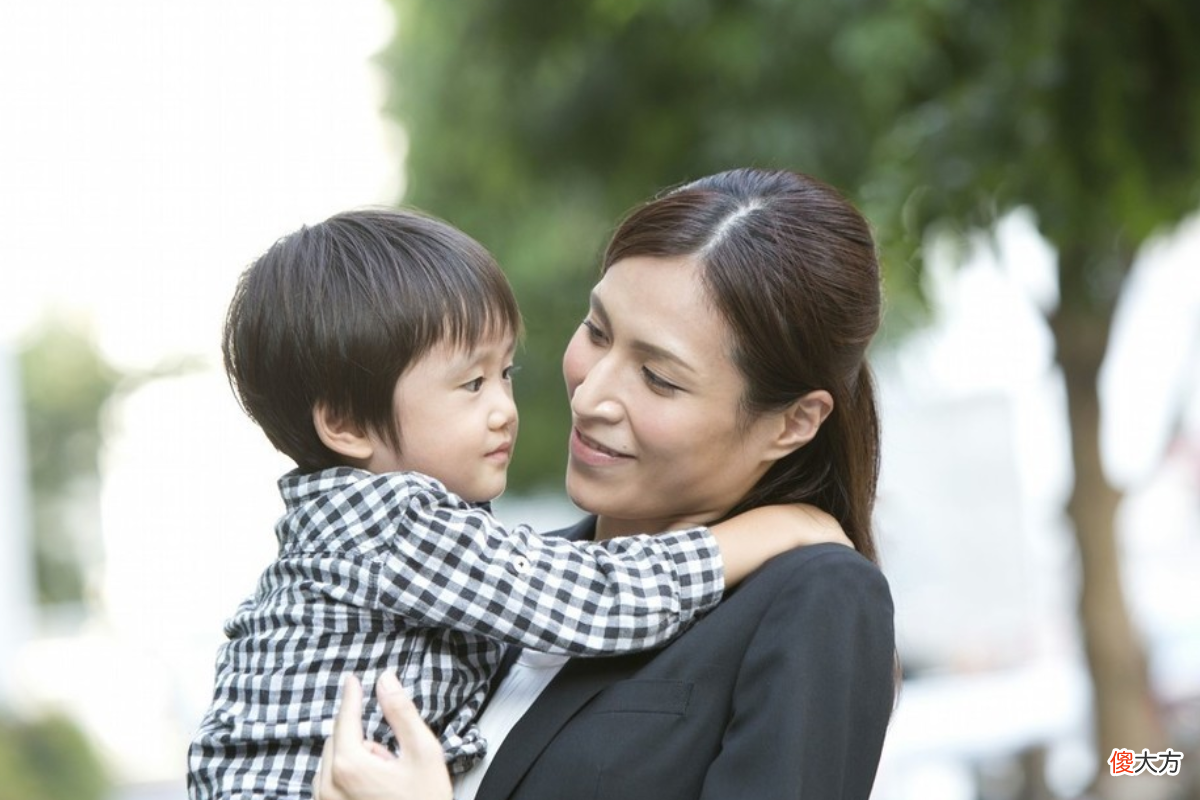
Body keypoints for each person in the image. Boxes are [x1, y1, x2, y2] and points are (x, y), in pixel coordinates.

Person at [187, 208, 850, 799]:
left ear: (792, 421)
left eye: (505, 374)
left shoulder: (819, 595)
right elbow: (596, 598)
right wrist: (770, 531)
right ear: (346, 426)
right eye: (471, 384)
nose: (508, 409)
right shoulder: (397, 526)